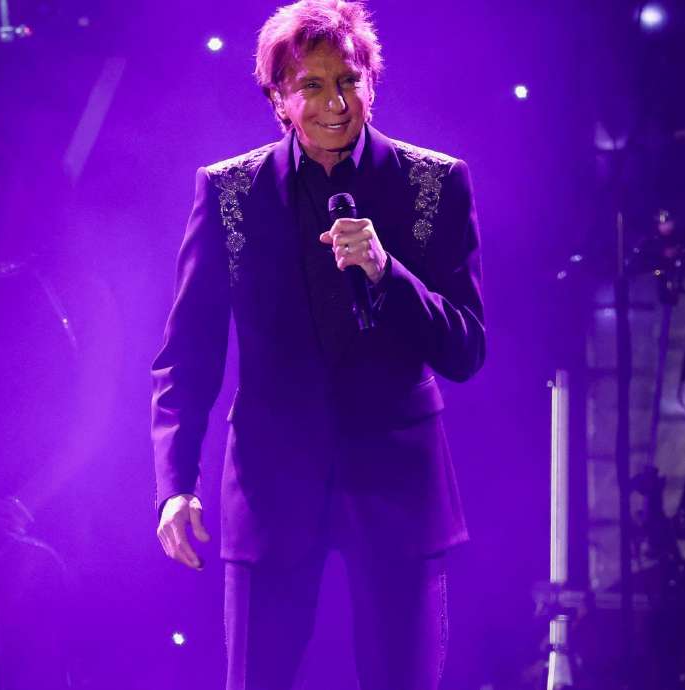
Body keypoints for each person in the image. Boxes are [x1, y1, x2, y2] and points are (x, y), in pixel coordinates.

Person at [151, 1, 485, 688]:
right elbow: (190, 352)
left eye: (350, 80)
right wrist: (174, 484)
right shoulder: (228, 194)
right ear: (278, 96)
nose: (336, 101)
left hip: (398, 483)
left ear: (372, 82)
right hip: (272, 484)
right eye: (312, 84)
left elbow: (466, 349)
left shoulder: (434, 183)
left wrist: (390, 275)